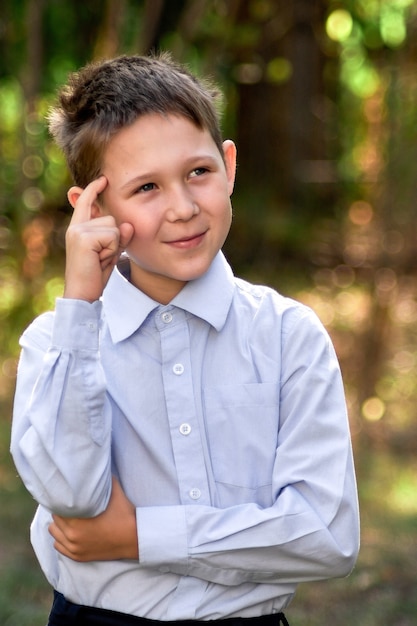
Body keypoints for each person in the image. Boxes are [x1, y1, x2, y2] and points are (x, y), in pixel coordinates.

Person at [11, 52, 359, 626]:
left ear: (228, 165)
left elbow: (326, 535)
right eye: (146, 186)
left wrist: (139, 536)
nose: (183, 208)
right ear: (93, 208)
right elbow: (71, 500)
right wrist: (79, 305)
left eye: (197, 172)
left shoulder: (288, 335)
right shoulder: (56, 341)